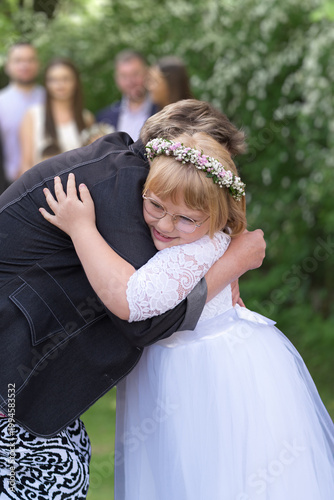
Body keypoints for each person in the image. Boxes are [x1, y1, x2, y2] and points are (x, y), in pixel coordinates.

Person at [40, 134, 334, 499]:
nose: (165, 226)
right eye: (156, 206)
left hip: (202, 370)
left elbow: (132, 299)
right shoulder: (207, 236)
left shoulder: (189, 254)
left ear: (219, 215)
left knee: (202, 470)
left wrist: (81, 228)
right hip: (215, 356)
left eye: (186, 218)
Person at [0, 99, 266, 498]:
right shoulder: (124, 185)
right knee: (49, 478)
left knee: (67, 467)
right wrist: (233, 263)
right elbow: (145, 319)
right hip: (12, 365)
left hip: (24, 362)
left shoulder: (125, 171)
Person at [19, 57, 95, 174]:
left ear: (76, 82)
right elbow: (26, 165)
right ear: (46, 83)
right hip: (41, 187)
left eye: (66, 79)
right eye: (53, 80)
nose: (60, 85)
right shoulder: (33, 115)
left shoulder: (86, 117)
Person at [0, 42, 45, 188]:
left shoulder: (50, 98)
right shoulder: (1, 102)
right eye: (18, 60)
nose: (25, 65)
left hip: (50, 181)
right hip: (9, 186)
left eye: (30, 60)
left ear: (38, 64)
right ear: (7, 66)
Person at [96, 50, 158, 141]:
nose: (130, 81)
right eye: (124, 76)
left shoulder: (162, 110)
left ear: (147, 73)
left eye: (135, 74)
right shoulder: (103, 118)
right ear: (116, 79)